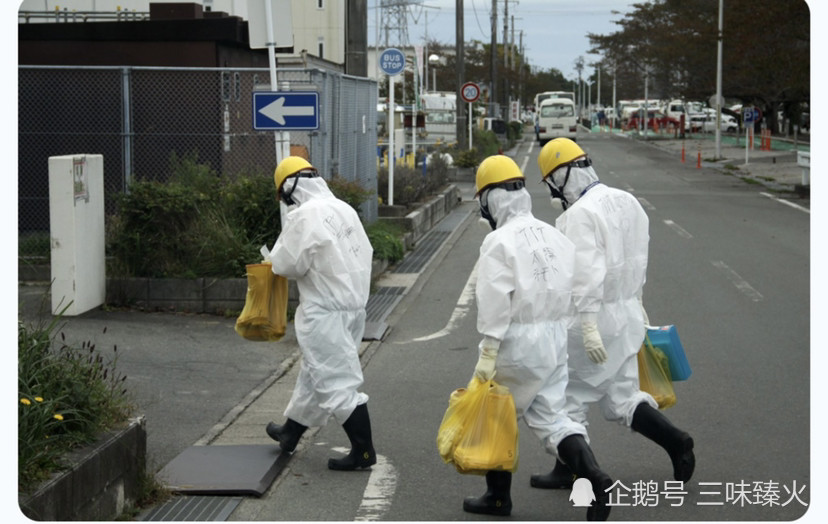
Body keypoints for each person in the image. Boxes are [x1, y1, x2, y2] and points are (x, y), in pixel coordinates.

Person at [531, 137, 695, 490]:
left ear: (561, 176)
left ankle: (572, 471)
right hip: (627, 316)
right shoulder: (627, 201)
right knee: (622, 394)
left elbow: (585, 276)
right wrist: (637, 304)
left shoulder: (577, 216)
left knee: (565, 398)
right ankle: (675, 441)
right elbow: (639, 260)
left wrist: (587, 326)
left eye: (551, 182)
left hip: (593, 321)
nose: (553, 192)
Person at [463, 155, 613, 521]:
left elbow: (496, 301)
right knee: (553, 417)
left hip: (516, 341)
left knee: (498, 416)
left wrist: (488, 350)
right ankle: (594, 477)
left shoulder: (498, 242)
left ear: (490, 199)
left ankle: (497, 498)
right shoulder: (554, 234)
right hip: (553, 339)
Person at [263, 156, 377, 471]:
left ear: (288, 190)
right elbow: (366, 252)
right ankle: (290, 433)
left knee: (337, 382)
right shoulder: (344, 209)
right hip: (353, 309)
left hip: (324, 312)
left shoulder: (303, 216)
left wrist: (273, 256)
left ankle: (363, 451)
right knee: (315, 375)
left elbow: (287, 266)